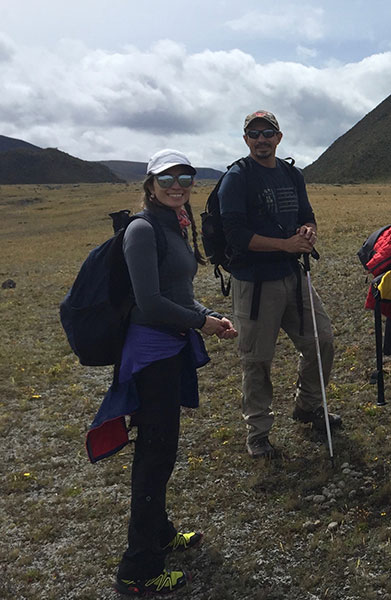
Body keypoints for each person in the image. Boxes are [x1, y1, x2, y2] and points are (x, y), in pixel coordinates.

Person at [106, 149, 238, 595]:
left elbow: (176, 292)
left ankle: (160, 534)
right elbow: (149, 302)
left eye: (186, 176)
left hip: (170, 346)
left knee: (161, 448)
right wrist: (200, 321)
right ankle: (137, 570)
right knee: (155, 456)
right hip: (151, 355)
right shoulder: (143, 230)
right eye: (167, 178)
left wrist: (208, 313)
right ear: (150, 184)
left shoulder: (177, 224)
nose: (178, 184)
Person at [217, 110, 338, 459]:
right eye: (253, 134)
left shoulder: (291, 174)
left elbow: (306, 214)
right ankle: (258, 432)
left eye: (267, 133)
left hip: (293, 276)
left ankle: (309, 406)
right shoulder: (237, 179)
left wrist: (308, 231)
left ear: (279, 137)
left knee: (322, 339)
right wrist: (284, 245)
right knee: (256, 359)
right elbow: (235, 235)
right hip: (254, 283)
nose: (261, 139)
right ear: (245, 140)